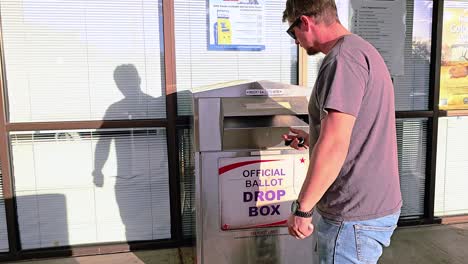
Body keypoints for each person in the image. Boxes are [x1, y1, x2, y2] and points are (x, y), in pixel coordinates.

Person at [282, 0, 402, 263]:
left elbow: (335, 143)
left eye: (293, 33)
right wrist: (312, 138)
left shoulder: (342, 60)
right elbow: (355, 131)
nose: (296, 42)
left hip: (352, 214)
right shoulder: (360, 50)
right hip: (372, 206)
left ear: (305, 21)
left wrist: (302, 209)